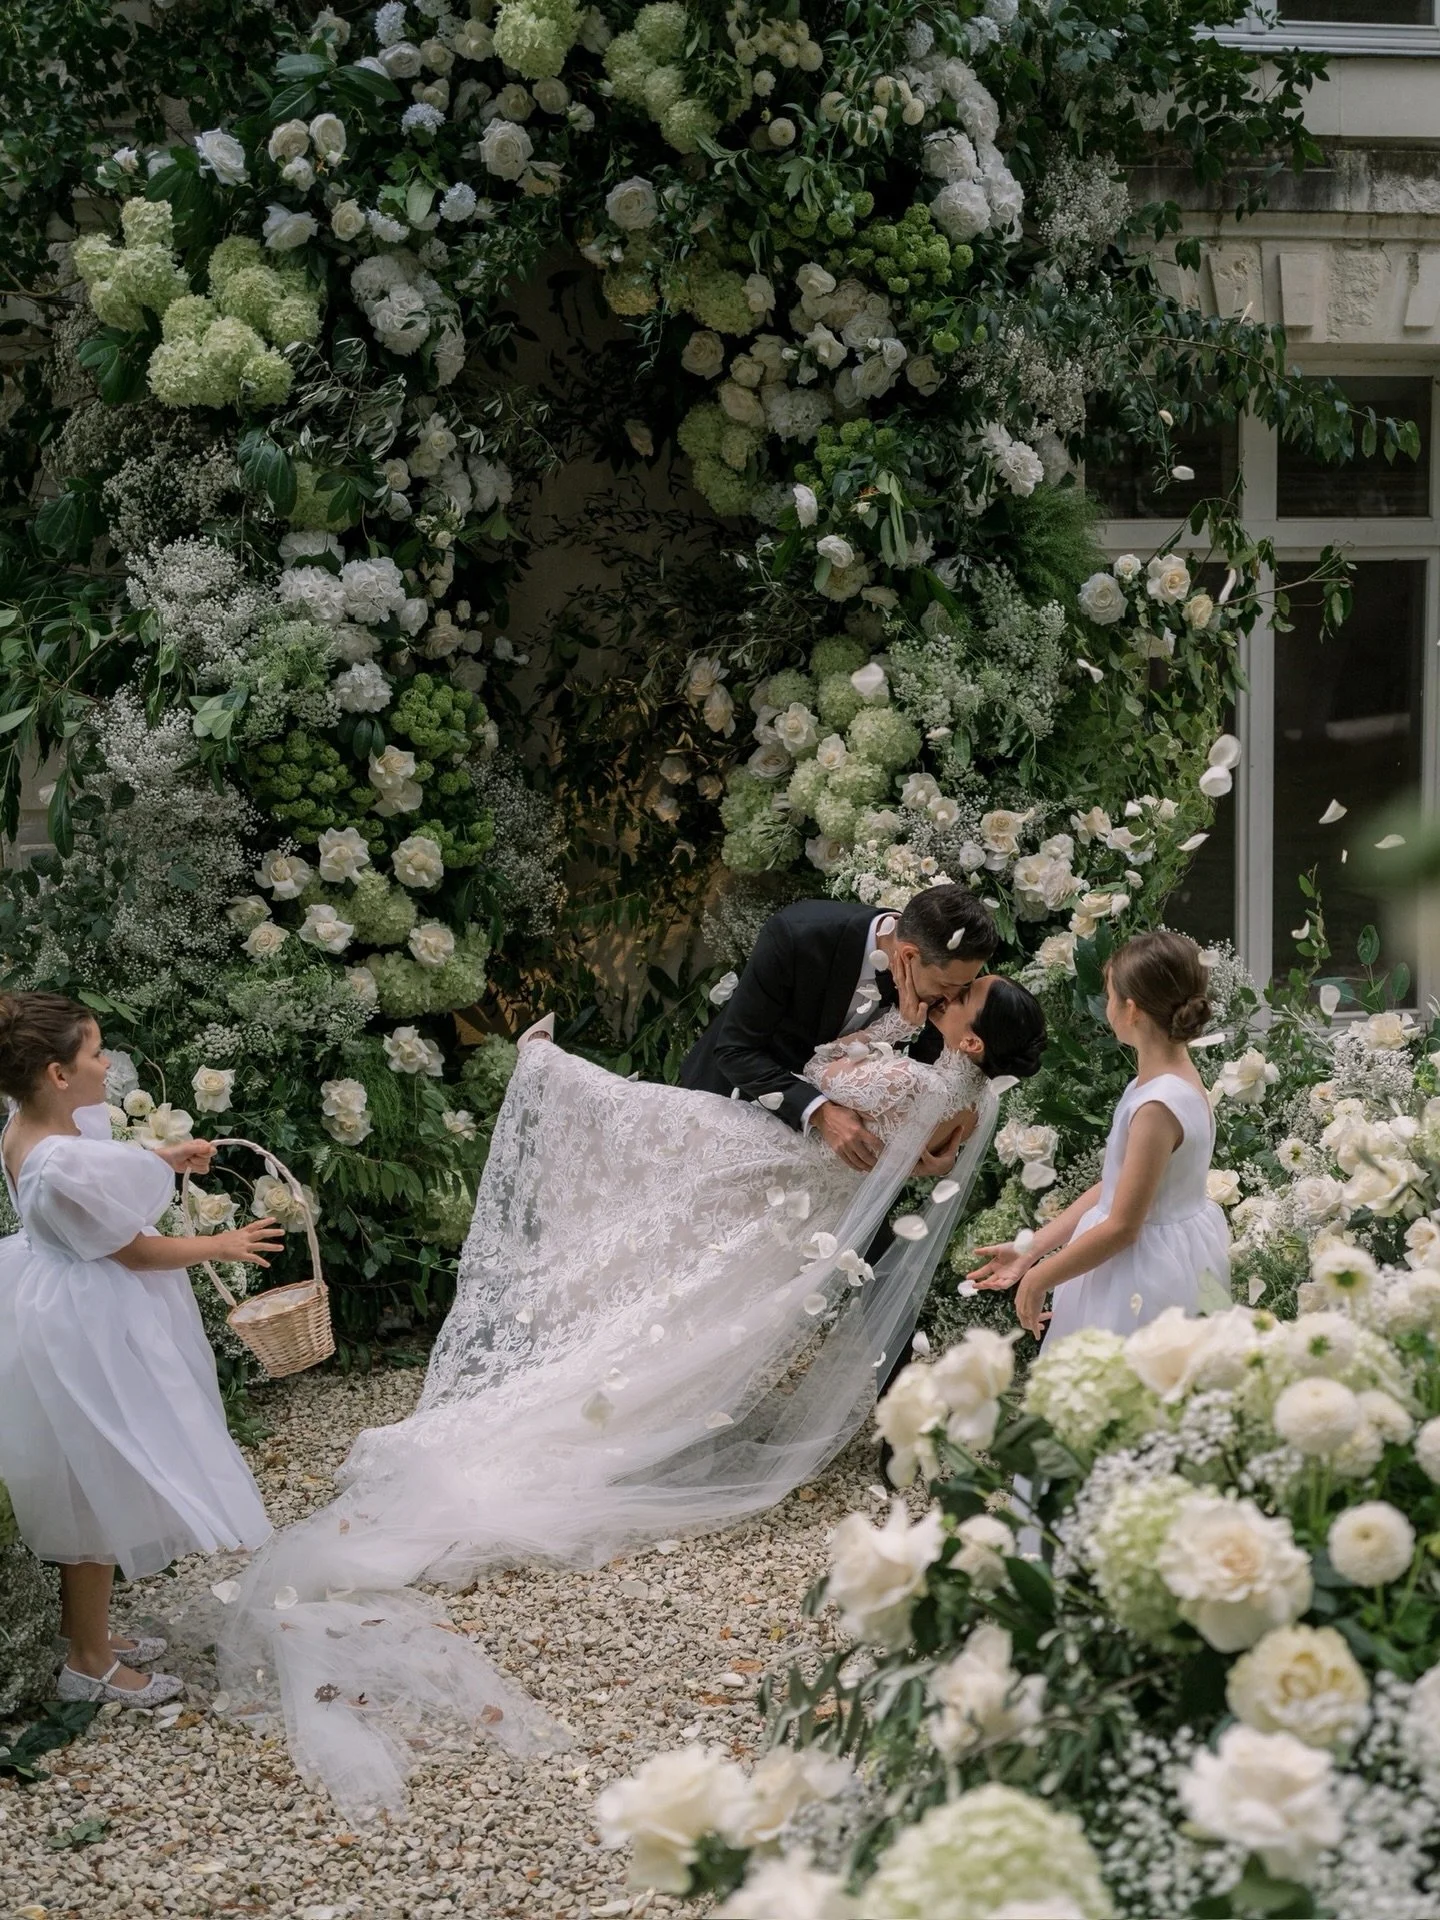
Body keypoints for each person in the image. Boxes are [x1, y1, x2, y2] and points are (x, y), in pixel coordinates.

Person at [217, 966, 1045, 1817]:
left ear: (972, 1038)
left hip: (772, 1175)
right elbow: (907, 1149)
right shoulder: (968, 1101)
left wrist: (883, 1029)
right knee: (666, 1282)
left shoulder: (913, 1081)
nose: (944, 1000)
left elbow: (822, 1067)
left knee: (635, 1132)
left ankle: (546, 1072)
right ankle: (556, 1089)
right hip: (798, 1204)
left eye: (961, 1001)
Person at [0, 991, 280, 1707]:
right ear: (59, 1073)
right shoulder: (59, 1161)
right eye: (96, 1053)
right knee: (97, 1483)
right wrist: (222, 1243)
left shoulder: (26, 1127)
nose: (107, 1064)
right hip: (89, 1326)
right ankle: (89, 1662)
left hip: (55, 1303)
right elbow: (136, 1251)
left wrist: (163, 1158)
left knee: (88, 1478)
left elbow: (96, 1181)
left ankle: (87, 1635)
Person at [970, 930, 1229, 1340]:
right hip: (1176, 1253)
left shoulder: (1157, 1106)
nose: (1106, 1007)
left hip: (1141, 1275)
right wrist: (1032, 1247)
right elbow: (1117, 1186)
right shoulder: (1166, 1078)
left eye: (1109, 997)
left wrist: (1039, 1278)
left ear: (1131, 1010)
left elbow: (1123, 1226)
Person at [680, 883, 1000, 1177]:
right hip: (729, 1113)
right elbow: (735, 1051)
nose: (951, 999)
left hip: (821, 1167)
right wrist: (820, 1112)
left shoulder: (939, 984)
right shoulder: (797, 936)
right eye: (947, 986)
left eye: (962, 987)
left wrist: (935, 1155)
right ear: (907, 956)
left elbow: (932, 1088)